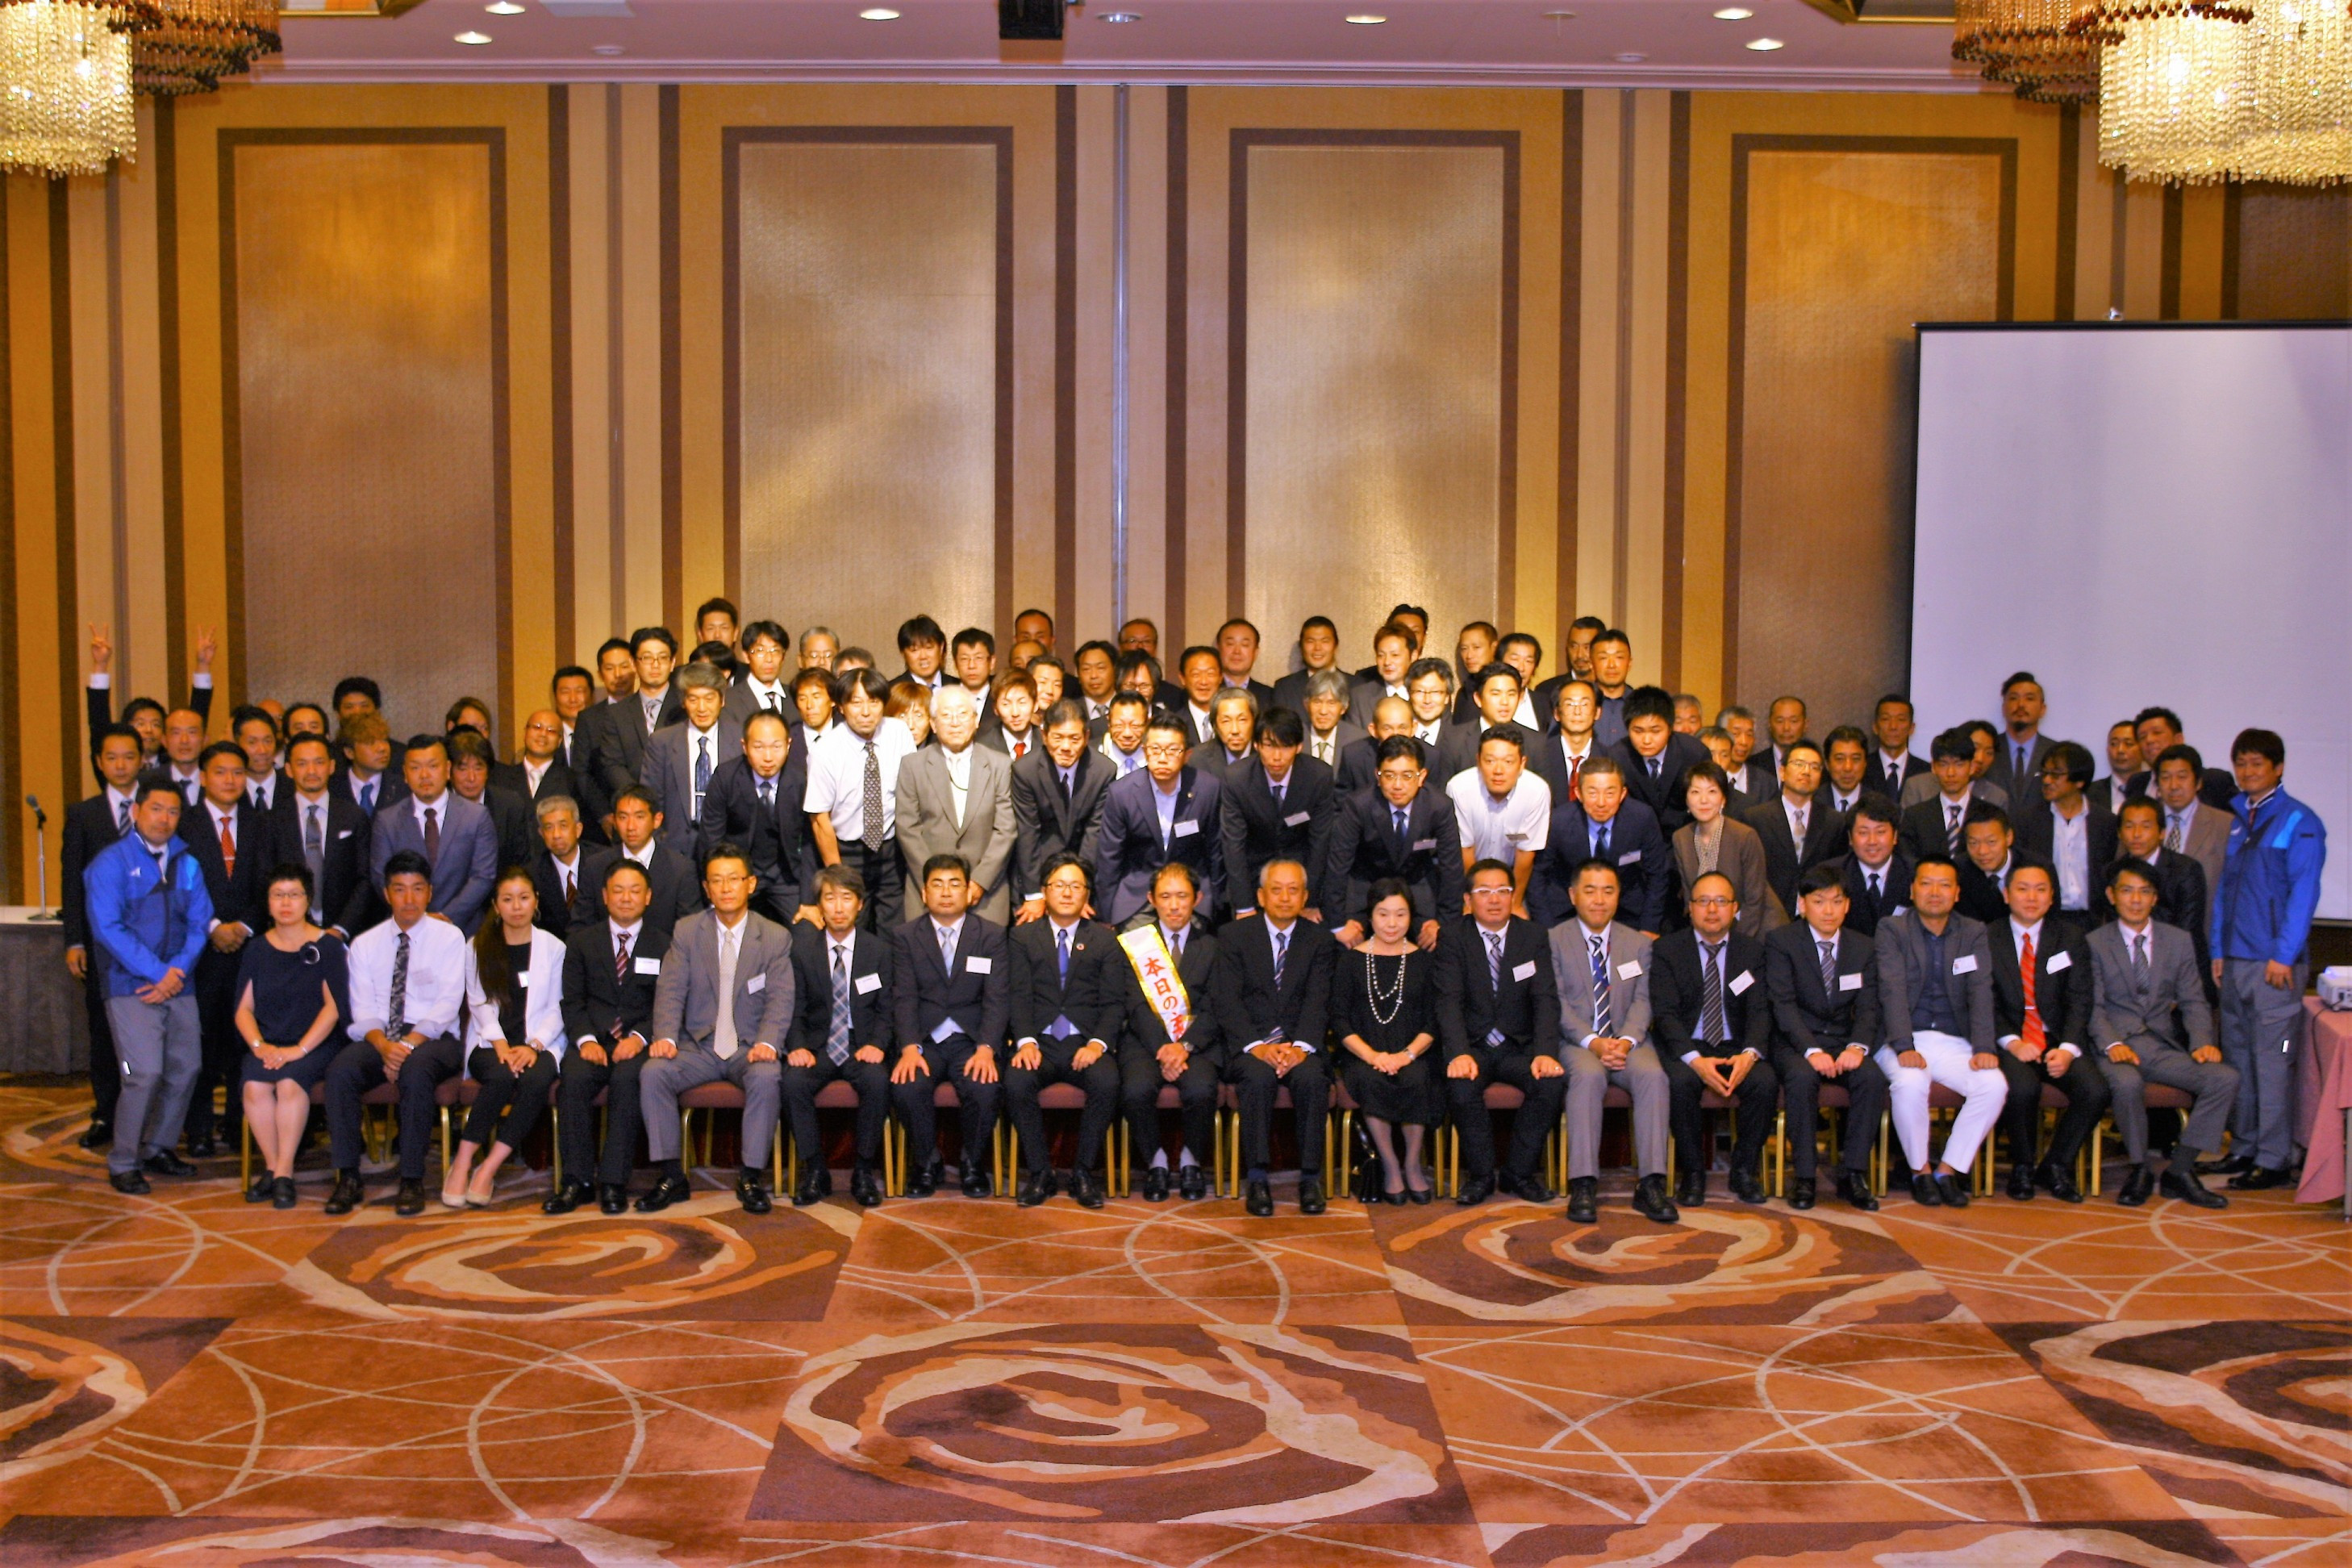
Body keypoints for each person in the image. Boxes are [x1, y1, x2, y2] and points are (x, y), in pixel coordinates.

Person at [637, 844, 797, 1215]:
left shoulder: (774, 936)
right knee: (654, 1072)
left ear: (750, 884)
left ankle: (750, 1177)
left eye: (734, 879)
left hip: (748, 1047)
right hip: (699, 1046)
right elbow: (671, 989)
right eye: (717, 881)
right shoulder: (687, 931)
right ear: (706, 888)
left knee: (767, 1076)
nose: (726, 888)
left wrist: (768, 1043)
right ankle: (671, 1177)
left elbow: (780, 998)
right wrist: (665, 1037)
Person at [2208, 728, 2326, 1191]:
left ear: (2278, 768)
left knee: (2274, 1062)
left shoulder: (2300, 820)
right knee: (2239, 1061)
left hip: (2275, 968)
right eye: (2241, 763)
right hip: (2235, 962)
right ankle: (2244, 1148)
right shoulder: (2238, 818)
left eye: (2257, 763)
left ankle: (2274, 1158)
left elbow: (2304, 894)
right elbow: (2224, 892)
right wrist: (2218, 950)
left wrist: (2284, 954)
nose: (2247, 771)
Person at [83, 776, 212, 1195]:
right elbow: (108, 928)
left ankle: (158, 1147)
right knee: (143, 1073)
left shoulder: (188, 863)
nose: (164, 819)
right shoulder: (111, 862)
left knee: (186, 1068)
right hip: (130, 987)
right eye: (156, 809)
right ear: (136, 811)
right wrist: (158, 973)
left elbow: (199, 924)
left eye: (173, 811)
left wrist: (175, 972)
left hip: (179, 984)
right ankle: (123, 1160)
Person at [323, 851, 469, 1217]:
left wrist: (404, 1046)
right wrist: (385, 1046)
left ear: (429, 892)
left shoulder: (450, 938)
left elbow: (447, 1005)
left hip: (433, 1038)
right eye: (400, 889)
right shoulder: (365, 944)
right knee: (341, 1071)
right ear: (387, 894)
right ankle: (348, 1176)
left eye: (417, 889)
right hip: (380, 1035)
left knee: (417, 1070)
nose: (409, 899)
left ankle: (412, 1178)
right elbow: (362, 1010)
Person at [2092, 858, 2237, 1208]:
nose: (2136, 900)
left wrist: (2202, 1043)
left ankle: (2180, 1170)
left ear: (2155, 898)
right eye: (2127, 891)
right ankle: (2139, 1168)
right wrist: (2112, 1043)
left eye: (2145, 892)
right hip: (2114, 1046)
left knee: (2224, 1078)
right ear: (2112, 895)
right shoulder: (2094, 942)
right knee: (2127, 1084)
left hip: (2159, 1046)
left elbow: (2194, 1000)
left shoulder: (2178, 941)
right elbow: (2091, 1006)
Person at [1874, 857, 2005, 1209]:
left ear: (1957, 893)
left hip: (1953, 1040)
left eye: (1944, 885)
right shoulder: (1892, 929)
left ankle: (1948, 1170)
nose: (1935, 892)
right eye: (1927, 883)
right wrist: (1904, 1045)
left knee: (1993, 1085)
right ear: (1912, 890)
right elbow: (1891, 989)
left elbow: (1981, 990)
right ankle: (1920, 1171)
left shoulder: (1973, 931)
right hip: (1902, 1037)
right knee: (1910, 1082)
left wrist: (1984, 1047)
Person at [1552, 858, 1677, 1225]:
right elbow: (1555, 1002)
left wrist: (1625, 1040)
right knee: (1588, 1077)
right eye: (1590, 891)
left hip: (1629, 1041)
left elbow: (1644, 1000)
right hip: (1577, 1042)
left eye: (1608, 891)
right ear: (1573, 895)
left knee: (1654, 1077)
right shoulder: (1553, 940)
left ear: (1618, 897)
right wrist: (1593, 1042)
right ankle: (1583, 1183)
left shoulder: (1638, 943)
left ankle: (1651, 1184)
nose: (1599, 900)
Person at [1435, 859, 1565, 1204]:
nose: (1494, 899)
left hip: (1518, 1047)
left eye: (1503, 891)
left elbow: (1545, 999)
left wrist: (1545, 1052)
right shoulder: (1453, 936)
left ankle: (1518, 1173)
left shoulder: (1533, 936)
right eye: (1484, 891)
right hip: (1474, 1045)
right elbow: (1448, 1001)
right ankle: (1480, 1177)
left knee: (1550, 1083)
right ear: (1468, 900)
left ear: (1513, 896)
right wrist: (1459, 1052)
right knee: (1461, 1087)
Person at [545, 860, 670, 1216]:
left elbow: (667, 1003)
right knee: (573, 1080)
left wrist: (639, 1037)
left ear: (648, 897)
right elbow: (572, 1001)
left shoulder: (664, 944)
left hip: (637, 1041)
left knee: (629, 1081)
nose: (626, 898)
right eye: (618, 890)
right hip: (592, 1041)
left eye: (635, 891)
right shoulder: (582, 942)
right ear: (604, 896)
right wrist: (586, 1040)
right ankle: (577, 1182)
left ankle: (614, 1182)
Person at [1216, 860, 1339, 1218]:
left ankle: (1310, 1178)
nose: (1285, 897)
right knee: (1257, 1079)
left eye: (1293, 890)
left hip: (1301, 1045)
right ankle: (1257, 1178)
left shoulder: (1319, 940)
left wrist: (1300, 1047)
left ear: (1305, 896)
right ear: (1260, 896)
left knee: (1313, 1079)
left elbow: (1319, 1000)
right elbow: (1227, 1000)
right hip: (1251, 1046)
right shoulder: (1234, 936)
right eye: (1276, 890)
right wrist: (1258, 1047)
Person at [1982, 860, 2107, 1204]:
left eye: (2041, 890)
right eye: (2023, 889)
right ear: (2006, 895)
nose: (2031, 897)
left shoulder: (2070, 936)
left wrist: (2068, 1048)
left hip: (2056, 1037)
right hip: (2009, 1038)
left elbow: (2080, 998)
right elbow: (1982, 1000)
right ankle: (2022, 1166)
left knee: (2095, 1090)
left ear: (2052, 897)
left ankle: (2055, 1165)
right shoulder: (1986, 936)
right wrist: (2012, 1042)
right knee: (2023, 1088)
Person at [1765, 864, 1888, 1211]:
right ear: (1803, 905)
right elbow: (1783, 1005)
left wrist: (1857, 1047)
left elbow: (1869, 1007)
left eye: (1836, 901)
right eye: (1819, 902)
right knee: (1802, 1079)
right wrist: (1811, 1050)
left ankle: (1854, 1174)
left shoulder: (1863, 947)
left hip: (1843, 1040)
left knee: (1871, 1078)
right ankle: (1805, 1176)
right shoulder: (1782, 942)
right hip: (1796, 1042)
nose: (1829, 910)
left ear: (1847, 905)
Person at [889, 853, 1011, 1198]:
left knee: (985, 1087)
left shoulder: (990, 935)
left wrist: (987, 1048)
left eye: (954, 884)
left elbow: (997, 998)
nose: (946, 892)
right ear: (924, 893)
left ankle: (973, 1163)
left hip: (971, 1040)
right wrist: (909, 1047)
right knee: (907, 1086)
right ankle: (927, 1163)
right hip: (925, 1039)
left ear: (969, 891)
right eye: (937, 885)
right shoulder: (905, 936)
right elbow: (904, 998)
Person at [444, 868, 567, 1209]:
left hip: (540, 1043)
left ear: (536, 902)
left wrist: (533, 1045)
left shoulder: (553, 947)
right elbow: (478, 1002)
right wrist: (500, 1043)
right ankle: (462, 1162)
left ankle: (488, 1167)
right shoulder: (478, 946)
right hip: (489, 1042)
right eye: (508, 899)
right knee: (500, 1076)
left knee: (536, 1079)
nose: (516, 907)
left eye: (524, 898)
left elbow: (558, 1006)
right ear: (496, 906)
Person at [1652, 872, 1778, 1207]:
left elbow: (1760, 1011)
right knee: (1680, 1083)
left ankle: (1744, 1171)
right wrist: (1694, 1060)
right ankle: (1693, 1173)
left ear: (1735, 908)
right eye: (1703, 901)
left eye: (1721, 901)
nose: (1711, 909)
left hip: (1736, 1046)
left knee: (1764, 1081)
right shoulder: (1667, 950)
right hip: (1687, 1047)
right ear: (1690, 907)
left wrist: (1750, 1054)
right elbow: (1665, 1014)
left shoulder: (1752, 952)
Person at [1003, 853, 1121, 1207]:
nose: (1067, 893)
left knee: (1107, 1081)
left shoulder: (1104, 940)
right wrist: (1025, 1041)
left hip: (1084, 1042)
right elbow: (1018, 995)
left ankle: (1083, 1173)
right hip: (1039, 1042)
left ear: (1087, 894)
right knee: (1016, 1082)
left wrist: (1097, 1044)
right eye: (1059, 885)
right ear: (1045, 891)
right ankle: (1041, 1173)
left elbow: (1114, 1002)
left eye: (1076, 886)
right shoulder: (1022, 938)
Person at [232, 864, 349, 1207]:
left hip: (317, 1043)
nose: (286, 903)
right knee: (254, 1086)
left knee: (288, 1084)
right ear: (268, 903)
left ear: (308, 901)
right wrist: (259, 1046)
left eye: (294, 895)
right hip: (269, 1042)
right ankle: (274, 1168)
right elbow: (243, 1009)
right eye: (278, 895)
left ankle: (283, 1172)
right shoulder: (256, 949)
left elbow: (333, 1009)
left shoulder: (327, 946)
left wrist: (299, 1049)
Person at [782, 864, 893, 1208]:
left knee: (877, 1081)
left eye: (846, 898)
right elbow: (795, 1008)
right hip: (820, 1046)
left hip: (862, 1046)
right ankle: (816, 1170)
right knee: (793, 1082)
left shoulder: (879, 950)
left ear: (860, 904)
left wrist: (877, 1044)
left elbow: (888, 1009)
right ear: (819, 905)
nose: (839, 907)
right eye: (830, 898)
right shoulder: (803, 951)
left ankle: (863, 1171)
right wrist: (798, 1046)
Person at [1110, 861, 1223, 1201]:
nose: (1174, 905)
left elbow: (1218, 1006)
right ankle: (1156, 1163)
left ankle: (1190, 1161)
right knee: (1136, 1090)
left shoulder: (1214, 946)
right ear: (1151, 899)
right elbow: (1134, 1003)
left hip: (1196, 1043)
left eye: (1182, 896)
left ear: (1197, 899)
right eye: (1166, 897)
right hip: (1146, 1043)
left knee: (1202, 1090)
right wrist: (1163, 1047)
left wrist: (1184, 1046)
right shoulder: (1135, 945)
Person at [181, 740, 269, 1158]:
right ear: (203, 777)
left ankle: (239, 1125)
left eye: (238, 772)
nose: (230, 780)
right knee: (198, 1044)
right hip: (199, 953)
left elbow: (269, 883)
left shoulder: (261, 823)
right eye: (220, 772)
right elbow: (180, 887)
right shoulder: (185, 824)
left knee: (243, 1042)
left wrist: (244, 926)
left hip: (250, 950)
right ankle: (198, 1129)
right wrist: (213, 926)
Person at [63, 724, 144, 1149]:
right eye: (111, 757)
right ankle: (107, 1113)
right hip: (103, 946)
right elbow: (72, 883)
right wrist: (74, 940)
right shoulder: (84, 814)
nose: (121, 765)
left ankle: (154, 1115)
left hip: (155, 945)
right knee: (106, 1031)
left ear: (142, 759)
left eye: (129, 756)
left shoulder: (162, 808)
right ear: (99, 762)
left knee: (153, 1031)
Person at [1336, 880, 1441, 1204]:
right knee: (1371, 1079)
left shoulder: (1424, 960)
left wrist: (1406, 1055)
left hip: (1413, 1053)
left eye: (1400, 914)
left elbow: (1433, 1021)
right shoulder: (1351, 960)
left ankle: (1412, 1164)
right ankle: (1391, 1165)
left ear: (1411, 917)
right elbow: (1339, 1020)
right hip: (1362, 1055)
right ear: (1370, 916)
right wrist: (1373, 1056)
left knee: (1417, 1077)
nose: (1392, 923)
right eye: (1383, 914)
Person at [895, 684, 1017, 923]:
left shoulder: (1000, 765)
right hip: (926, 892)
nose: (955, 722)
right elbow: (908, 829)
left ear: (976, 720)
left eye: (962, 714)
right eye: (946, 715)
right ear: (933, 723)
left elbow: (1006, 830)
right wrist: (934, 884)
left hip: (985, 893)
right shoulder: (913, 765)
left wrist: (979, 882)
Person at [1329, 736, 1463, 951]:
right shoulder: (1358, 805)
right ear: (1378, 776)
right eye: (1389, 776)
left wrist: (1444, 924)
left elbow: (1452, 869)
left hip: (1418, 883)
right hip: (1366, 883)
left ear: (1422, 776)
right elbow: (1338, 865)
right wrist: (1338, 925)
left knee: (1438, 943)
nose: (1398, 785)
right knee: (1345, 944)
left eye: (1407, 776)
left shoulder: (1439, 807)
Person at [807, 669, 916, 930]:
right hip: (848, 851)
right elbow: (819, 819)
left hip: (893, 848)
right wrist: (837, 874)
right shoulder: (825, 750)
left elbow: (913, 791)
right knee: (853, 927)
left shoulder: (899, 732)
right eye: (856, 702)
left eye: (874, 701)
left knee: (896, 927)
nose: (866, 711)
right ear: (841, 707)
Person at [1095, 715, 1224, 927]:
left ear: (1187, 755)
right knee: (1138, 947)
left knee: (1193, 946)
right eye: (1155, 749)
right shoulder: (1122, 793)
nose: (1162, 758)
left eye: (1172, 750)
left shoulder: (1207, 788)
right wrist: (1106, 915)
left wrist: (1215, 903)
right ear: (1145, 751)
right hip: (1137, 897)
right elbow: (1109, 858)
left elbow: (1215, 851)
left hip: (1190, 895)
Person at [370, 735, 498, 934]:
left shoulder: (476, 816)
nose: (424, 775)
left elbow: (483, 876)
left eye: (432, 766)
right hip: (407, 928)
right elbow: (381, 877)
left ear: (447, 770)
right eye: (415, 768)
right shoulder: (387, 821)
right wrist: (417, 917)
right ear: (405, 774)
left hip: (465, 930)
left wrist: (445, 917)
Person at [1222, 703, 1339, 920]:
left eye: (1285, 747)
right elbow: (1233, 845)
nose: (1277, 756)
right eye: (1269, 746)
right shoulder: (1236, 778)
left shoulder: (1319, 776)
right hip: (1253, 876)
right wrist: (1244, 905)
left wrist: (1309, 900)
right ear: (1256, 745)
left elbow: (1320, 842)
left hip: (1301, 876)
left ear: (1299, 746)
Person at [699, 709, 814, 927]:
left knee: (808, 931)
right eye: (759, 747)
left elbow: (810, 843)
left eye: (776, 747)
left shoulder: (801, 780)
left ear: (788, 745)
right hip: (739, 873)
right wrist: (719, 886)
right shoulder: (726, 777)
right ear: (745, 746)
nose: (768, 757)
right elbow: (711, 838)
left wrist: (809, 900)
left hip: (786, 875)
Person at [1529, 755, 1669, 934]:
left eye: (1610, 793)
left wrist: (1649, 927)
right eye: (1593, 793)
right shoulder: (1558, 821)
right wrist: (1547, 928)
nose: (1601, 803)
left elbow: (1658, 874)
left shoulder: (1642, 818)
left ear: (1623, 794)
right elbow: (1538, 875)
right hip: (1568, 910)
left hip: (1627, 910)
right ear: (1579, 794)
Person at [1011, 699, 1112, 922]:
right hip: (1038, 871)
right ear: (1044, 735)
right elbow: (1028, 832)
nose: (1066, 747)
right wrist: (1036, 893)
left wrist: (1080, 888)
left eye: (1074, 739)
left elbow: (1094, 832)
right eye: (1058, 738)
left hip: (1085, 869)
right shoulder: (1025, 771)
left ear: (1086, 736)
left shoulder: (1104, 770)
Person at [636, 662, 741, 861]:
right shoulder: (662, 742)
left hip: (728, 847)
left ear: (722, 700)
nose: (702, 708)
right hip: (674, 847)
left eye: (709, 699)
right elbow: (651, 797)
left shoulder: (739, 739)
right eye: (693, 699)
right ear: (684, 701)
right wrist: (660, 840)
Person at [277, 733, 376, 940]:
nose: (312, 771)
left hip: (346, 933)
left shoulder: (354, 816)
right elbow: (265, 880)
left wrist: (341, 928)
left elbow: (365, 879)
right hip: (288, 933)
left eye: (319, 762)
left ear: (331, 766)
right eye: (302, 764)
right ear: (288, 770)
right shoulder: (272, 821)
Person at [1446, 727, 1550, 917]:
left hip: (1513, 875)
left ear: (1522, 764)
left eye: (1508, 762)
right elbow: (1465, 850)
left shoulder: (1537, 791)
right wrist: (1474, 899)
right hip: (1469, 875)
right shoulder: (1459, 788)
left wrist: (1514, 903)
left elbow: (1525, 853)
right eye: (1490, 761)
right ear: (1478, 761)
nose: (1498, 771)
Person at [2112, 795, 2212, 994]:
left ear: (2162, 833)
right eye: (2129, 827)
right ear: (2119, 833)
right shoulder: (2113, 873)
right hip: (2129, 977)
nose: (2137, 834)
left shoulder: (2186, 870)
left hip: (2182, 977)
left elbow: (2187, 931)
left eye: (2145, 826)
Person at [1672, 761, 1779, 938]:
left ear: (1723, 799)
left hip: (1755, 929)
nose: (1704, 800)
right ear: (1686, 800)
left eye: (1712, 791)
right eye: (1695, 792)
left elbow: (1755, 899)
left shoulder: (1744, 836)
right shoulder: (1681, 838)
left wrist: (1736, 943)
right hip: (1708, 932)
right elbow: (1690, 898)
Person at [1741, 739, 1841, 916]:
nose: (1806, 771)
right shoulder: (1755, 818)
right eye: (1799, 764)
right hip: (1769, 914)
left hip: (1817, 915)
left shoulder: (1834, 821)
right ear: (1782, 772)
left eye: (1814, 767)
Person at [2016, 741, 2115, 917]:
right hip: (2046, 917)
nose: (2046, 781)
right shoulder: (2028, 821)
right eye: (2045, 773)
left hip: (2093, 919)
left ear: (2080, 781)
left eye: (2056, 775)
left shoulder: (2105, 822)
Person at [608, 786, 704, 940]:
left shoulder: (681, 870)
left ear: (657, 820)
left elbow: (691, 933)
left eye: (639, 817)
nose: (631, 826)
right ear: (614, 821)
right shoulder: (596, 866)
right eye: (623, 817)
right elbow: (583, 928)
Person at [1612, 686, 1710, 836]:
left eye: (1655, 731)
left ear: (1670, 728)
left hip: (1687, 836)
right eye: (1638, 731)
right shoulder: (1617, 756)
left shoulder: (1694, 754)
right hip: (1636, 838)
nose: (1646, 740)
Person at [447, 728, 538, 876]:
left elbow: (523, 862)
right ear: (449, 771)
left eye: (478, 768)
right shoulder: (437, 807)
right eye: (463, 769)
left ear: (488, 772)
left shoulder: (510, 805)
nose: (471, 778)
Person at [2151, 744, 2229, 903]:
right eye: (2165, 778)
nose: (2173, 786)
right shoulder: (2143, 821)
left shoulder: (2225, 825)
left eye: (2182, 777)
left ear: (2198, 782)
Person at [1899, 729, 1988, 865]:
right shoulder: (1915, 816)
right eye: (1943, 764)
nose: (1951, 773)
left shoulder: (1988, 815)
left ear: (1972, 767)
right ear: (1933, 767)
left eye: (1959, 764)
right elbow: (1908, 862)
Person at [532, 793, 614, 938]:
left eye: (563, 826)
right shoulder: (533, 874)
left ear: (578, 829)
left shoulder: (605, 862)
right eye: (549, 828)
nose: (556, 835)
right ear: (541, 833)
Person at [2129, 707, 2237, 809]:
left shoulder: (2215, 781)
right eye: (2142, 737)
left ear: (2178, 739)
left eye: (2157, 733)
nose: (2149, 740)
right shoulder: (2136, 784)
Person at [1837, 797, 1913, 938]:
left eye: (1880, 832)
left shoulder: (1915, 874)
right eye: (1863, 833)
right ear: (1850, 838)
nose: (1872, 841)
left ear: (1895, 836)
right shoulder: (1833, 874)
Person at [1986, 671, 2058, 804]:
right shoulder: (1988, 750)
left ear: (2043, 709)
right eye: (2014, 698)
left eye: (2029, 699)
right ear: (2003, 708)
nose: (2021, 705)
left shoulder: (2056, 753)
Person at [1528, 678, 1602, 807]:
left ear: (1597, 712)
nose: (1577, 712)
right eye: (1570, 704)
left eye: (1584, 704)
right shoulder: (1539, 755)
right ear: (1557, 713)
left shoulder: (1609, 757)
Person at [493, 710, 577, 809]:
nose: (543, 734)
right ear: (525, 733)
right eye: (537, 727)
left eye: (551, 730)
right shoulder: (501, 778)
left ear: (559, 741)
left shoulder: (571, 780)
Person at [724, 619, 795, 727]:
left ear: (783, 657)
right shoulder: (729, 700)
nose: (769, 659)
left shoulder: (796, 696)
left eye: (775, 651)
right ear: (746, 656)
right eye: (760, 651)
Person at [1299, 669, 1367, 782]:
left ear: (1344, 707)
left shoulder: (1359, 741)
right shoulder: (1294, 738)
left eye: (1331, 703)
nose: (1323, 711)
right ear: (1306, 705)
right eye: (1317, 702)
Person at [1346, 623, 1417, 728]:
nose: (1387, 662)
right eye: (1381, 655)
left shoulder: (1425, 695)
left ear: (1413, 656)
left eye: (1395, 655)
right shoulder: (1360, 697)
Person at [1270, 615, 1341, 716]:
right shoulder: (1285, 688)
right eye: (1310, 641)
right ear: (1301, 647)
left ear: (1335, 645)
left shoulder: (1355, 685)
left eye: (1325, 641)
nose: (1317, 648)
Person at [1187, 687, 1259, 782]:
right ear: (1215, 725)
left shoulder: (1266, 756)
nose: (1235, 730)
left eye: (1242, 720)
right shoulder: (1197, 760)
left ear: (1254, 721)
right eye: (1226, 721)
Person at [1870, 694, 1926, 803]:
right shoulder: (1861, 768)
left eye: (1901, 720)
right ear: (1875, 727)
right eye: (1886, 719)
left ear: (1912, 728)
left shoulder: (1925, 771)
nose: (1893, 727)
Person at [1173, 645, 1226, 746]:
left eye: (1210, 674)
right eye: (1195, 674)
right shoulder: (1173, 724)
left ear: (1221, 677)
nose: (1203, 681)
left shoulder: (1232, 722)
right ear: (1182, 679)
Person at [1215, 617, 1274, 706]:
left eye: (1245, 645)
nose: (1237, 651)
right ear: (1218, 649)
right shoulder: (1205, 692)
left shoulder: (1270, 696)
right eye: (1230, 644)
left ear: (1256, 652)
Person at [2093, 719, 2143, 818]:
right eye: (2114, 744)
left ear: (2143, 748)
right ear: (2107, 750)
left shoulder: (2155, 790)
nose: (2120, 750)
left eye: (2129, 744)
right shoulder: (2089, 793)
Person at [1098, 689, 1150, 776]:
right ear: (1109, 723)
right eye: (1119, 725)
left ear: (1147, 723)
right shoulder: (1091, 757)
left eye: (1135, 726)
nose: (1127, 734)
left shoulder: (1159, 759)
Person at [790, 667, 840, 756]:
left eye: (816, 697)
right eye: (802, 699)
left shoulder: (849, 736)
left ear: (833, 700)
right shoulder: (787, 738)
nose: (809, 705)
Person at [895, 615, 949, 690]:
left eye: (929, 647)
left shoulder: (960, 687)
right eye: (914, 650)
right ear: (903, 653)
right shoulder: (891, 692)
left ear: (941, 648)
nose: (923, 656)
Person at [1074, 638, 1119, 723]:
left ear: (1115, 670)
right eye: (1086, 669)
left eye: (1101, 668)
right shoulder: (1070, 710)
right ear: (1078, 675)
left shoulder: (1130, 706)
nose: (1094, 676)